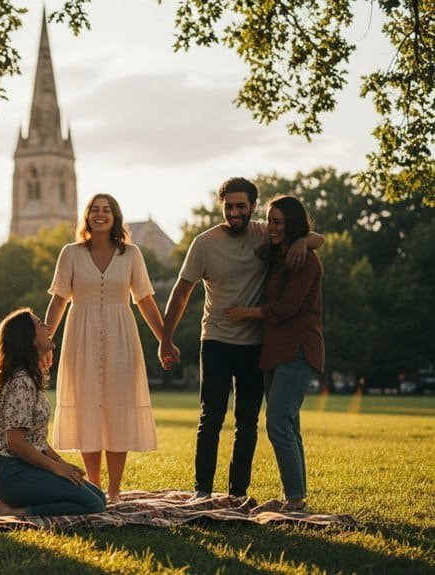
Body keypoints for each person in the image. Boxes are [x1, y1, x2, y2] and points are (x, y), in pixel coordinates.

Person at [159, 177, 323, 499]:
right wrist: (166, 338)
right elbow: (181, 292)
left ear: (252, 207)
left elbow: (311, 236)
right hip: (216, 340)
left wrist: (303, 242)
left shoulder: (266, 232)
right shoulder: (204, 243)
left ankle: (237, 494)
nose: (234, 213)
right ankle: (202, 491)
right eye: (229, 206)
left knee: (247, 422)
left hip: (255, 345)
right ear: (221, 206)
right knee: (211, 417)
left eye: (241, 206)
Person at [43, 193, 165, 503]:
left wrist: (165, 338)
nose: (100, 214)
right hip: (79, 334)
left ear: (115, 216)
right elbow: (59, 299)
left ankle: (115, 489)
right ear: (86, 216)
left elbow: (145, 300)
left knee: (118, 409)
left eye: (106, 210)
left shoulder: (132, 254)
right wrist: (45, 340)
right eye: (95, 210)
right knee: (87, 408)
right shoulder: (70, 253)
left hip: (121, 334)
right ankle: (95, 485)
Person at [225, 195, 324, 511]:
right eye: (269, 221)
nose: (271, 227)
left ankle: (294, 500)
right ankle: (296, 497)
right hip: (274, 351)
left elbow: (286, 309)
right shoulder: (278, 255)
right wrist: (303, 240)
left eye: (278, 222)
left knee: (278, 422)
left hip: (297, 350)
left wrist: (245, 313)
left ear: (293, 224)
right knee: (289, 424)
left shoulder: (304, 260)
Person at [0, 308, 106, 517]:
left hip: (25, 467)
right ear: (29, 338)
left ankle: (16, 506)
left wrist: (61, 463)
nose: (47, 327)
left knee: (98, 497)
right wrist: (55, 469)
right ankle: (15, 511)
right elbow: (16, 442)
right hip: (12, 474)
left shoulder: (29, 379)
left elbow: (35, 439)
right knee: (92, 505)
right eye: (40, 324)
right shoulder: (21, 383)